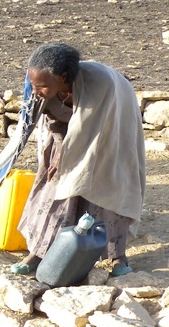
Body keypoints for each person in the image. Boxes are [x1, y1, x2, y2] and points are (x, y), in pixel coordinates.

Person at [10, 43, 144, 276]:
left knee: (108, 189)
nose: (35, 90)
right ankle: (40, 253)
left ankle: (117, 257)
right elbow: (54, 123)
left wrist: (65, 156)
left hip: (110, 136)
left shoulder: (100, 84)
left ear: (63, 78)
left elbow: (89, 132)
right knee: (55, 189)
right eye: (32, 84)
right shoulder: (43, 89)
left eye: (41, 85)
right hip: (68, 136)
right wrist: (59, 151)